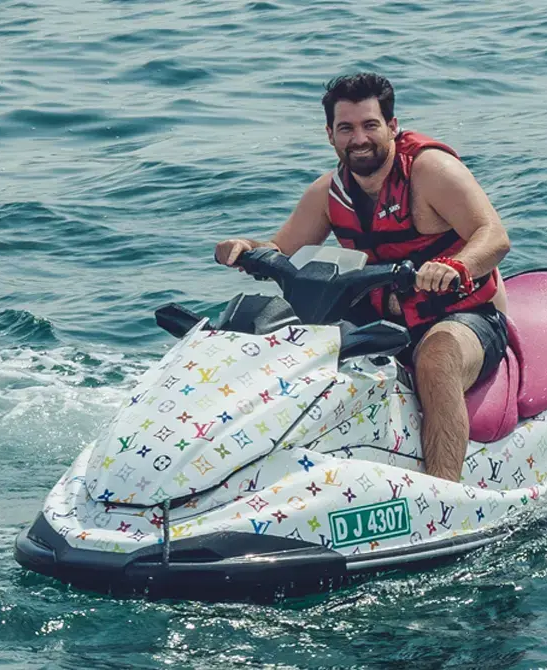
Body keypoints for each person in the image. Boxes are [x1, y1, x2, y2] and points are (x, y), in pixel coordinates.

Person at [214, 72, 510, 482]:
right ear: (330, 135)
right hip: (386, 320)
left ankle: (444, 492)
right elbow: (282, 249)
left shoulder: (431, 171)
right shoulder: (328, 193)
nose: (359, 138)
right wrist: (245, 248)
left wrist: (455, 266)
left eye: (370, 125)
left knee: (436, 357)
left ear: (392, 126)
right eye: (346, 128)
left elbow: (493, 236)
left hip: (465, 317)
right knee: (287, 343)